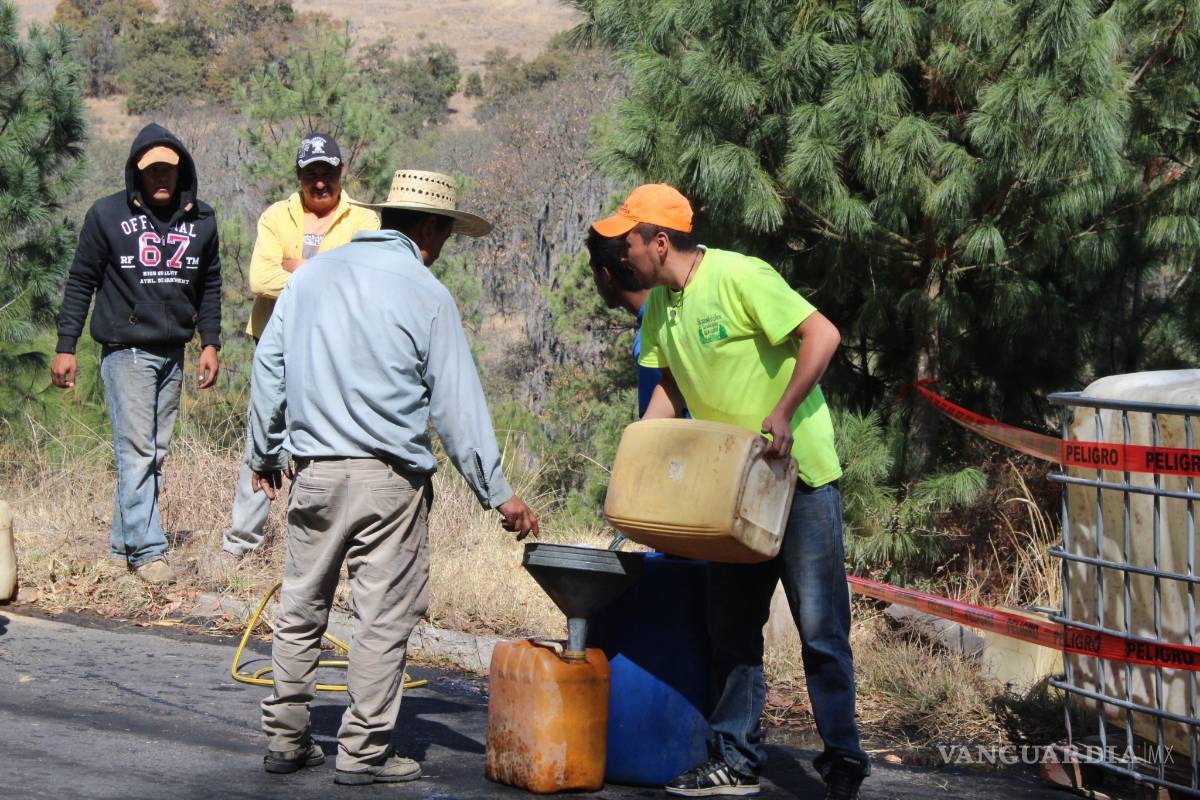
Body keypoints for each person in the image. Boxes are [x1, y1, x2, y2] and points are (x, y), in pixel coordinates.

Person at [248, 169, 539, 785]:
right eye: (448, 232)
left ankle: (285, 741)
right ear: (430, 228)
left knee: (302, 605)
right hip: (389, 482)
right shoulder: (427, 293)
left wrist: (265, 451)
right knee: (381, 618)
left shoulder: (310, 279)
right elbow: (457, 407)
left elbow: (268, 367)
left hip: (315, 473)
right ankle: (362, 755)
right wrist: (499, 495)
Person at [590, 184, 869, 799]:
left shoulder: (741, 276)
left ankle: (844, 761)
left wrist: (785, 411)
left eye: (628, 239)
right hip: (731, 492)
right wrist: (638, 449)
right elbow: (671, 385)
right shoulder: (662, 304)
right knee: (732, 629)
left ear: (659, 243)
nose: (621, 252)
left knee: (820, 630)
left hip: (798, 478)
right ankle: (735, 759)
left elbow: (823, 335)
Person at [51, 123, 222, 586]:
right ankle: (148, 552)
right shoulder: (106, 215)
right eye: (153, 172)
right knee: (137, 450)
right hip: (125, 351)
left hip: (174, 350)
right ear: (137, 173)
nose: (161, 178)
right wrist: (66, 346)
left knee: (153, 453)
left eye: (169, 170)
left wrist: (210, 341)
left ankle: (119, 546)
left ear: (181, 169)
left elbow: (210, 285)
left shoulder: (202, 220)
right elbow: (81, 281)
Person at [221, 133, 379, 561]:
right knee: (263, 435)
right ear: (299, 176)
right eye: (312, 174)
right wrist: (327, 269)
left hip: (334, 353)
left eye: (327, 173)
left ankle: (315, 546)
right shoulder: (277, 216)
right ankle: (240, 543)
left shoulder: (365, 220)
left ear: (341, 172)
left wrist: (295, 268)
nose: (320, 183)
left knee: (325, 446)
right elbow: (259, 279)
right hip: (275, 346)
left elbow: (361, 282)